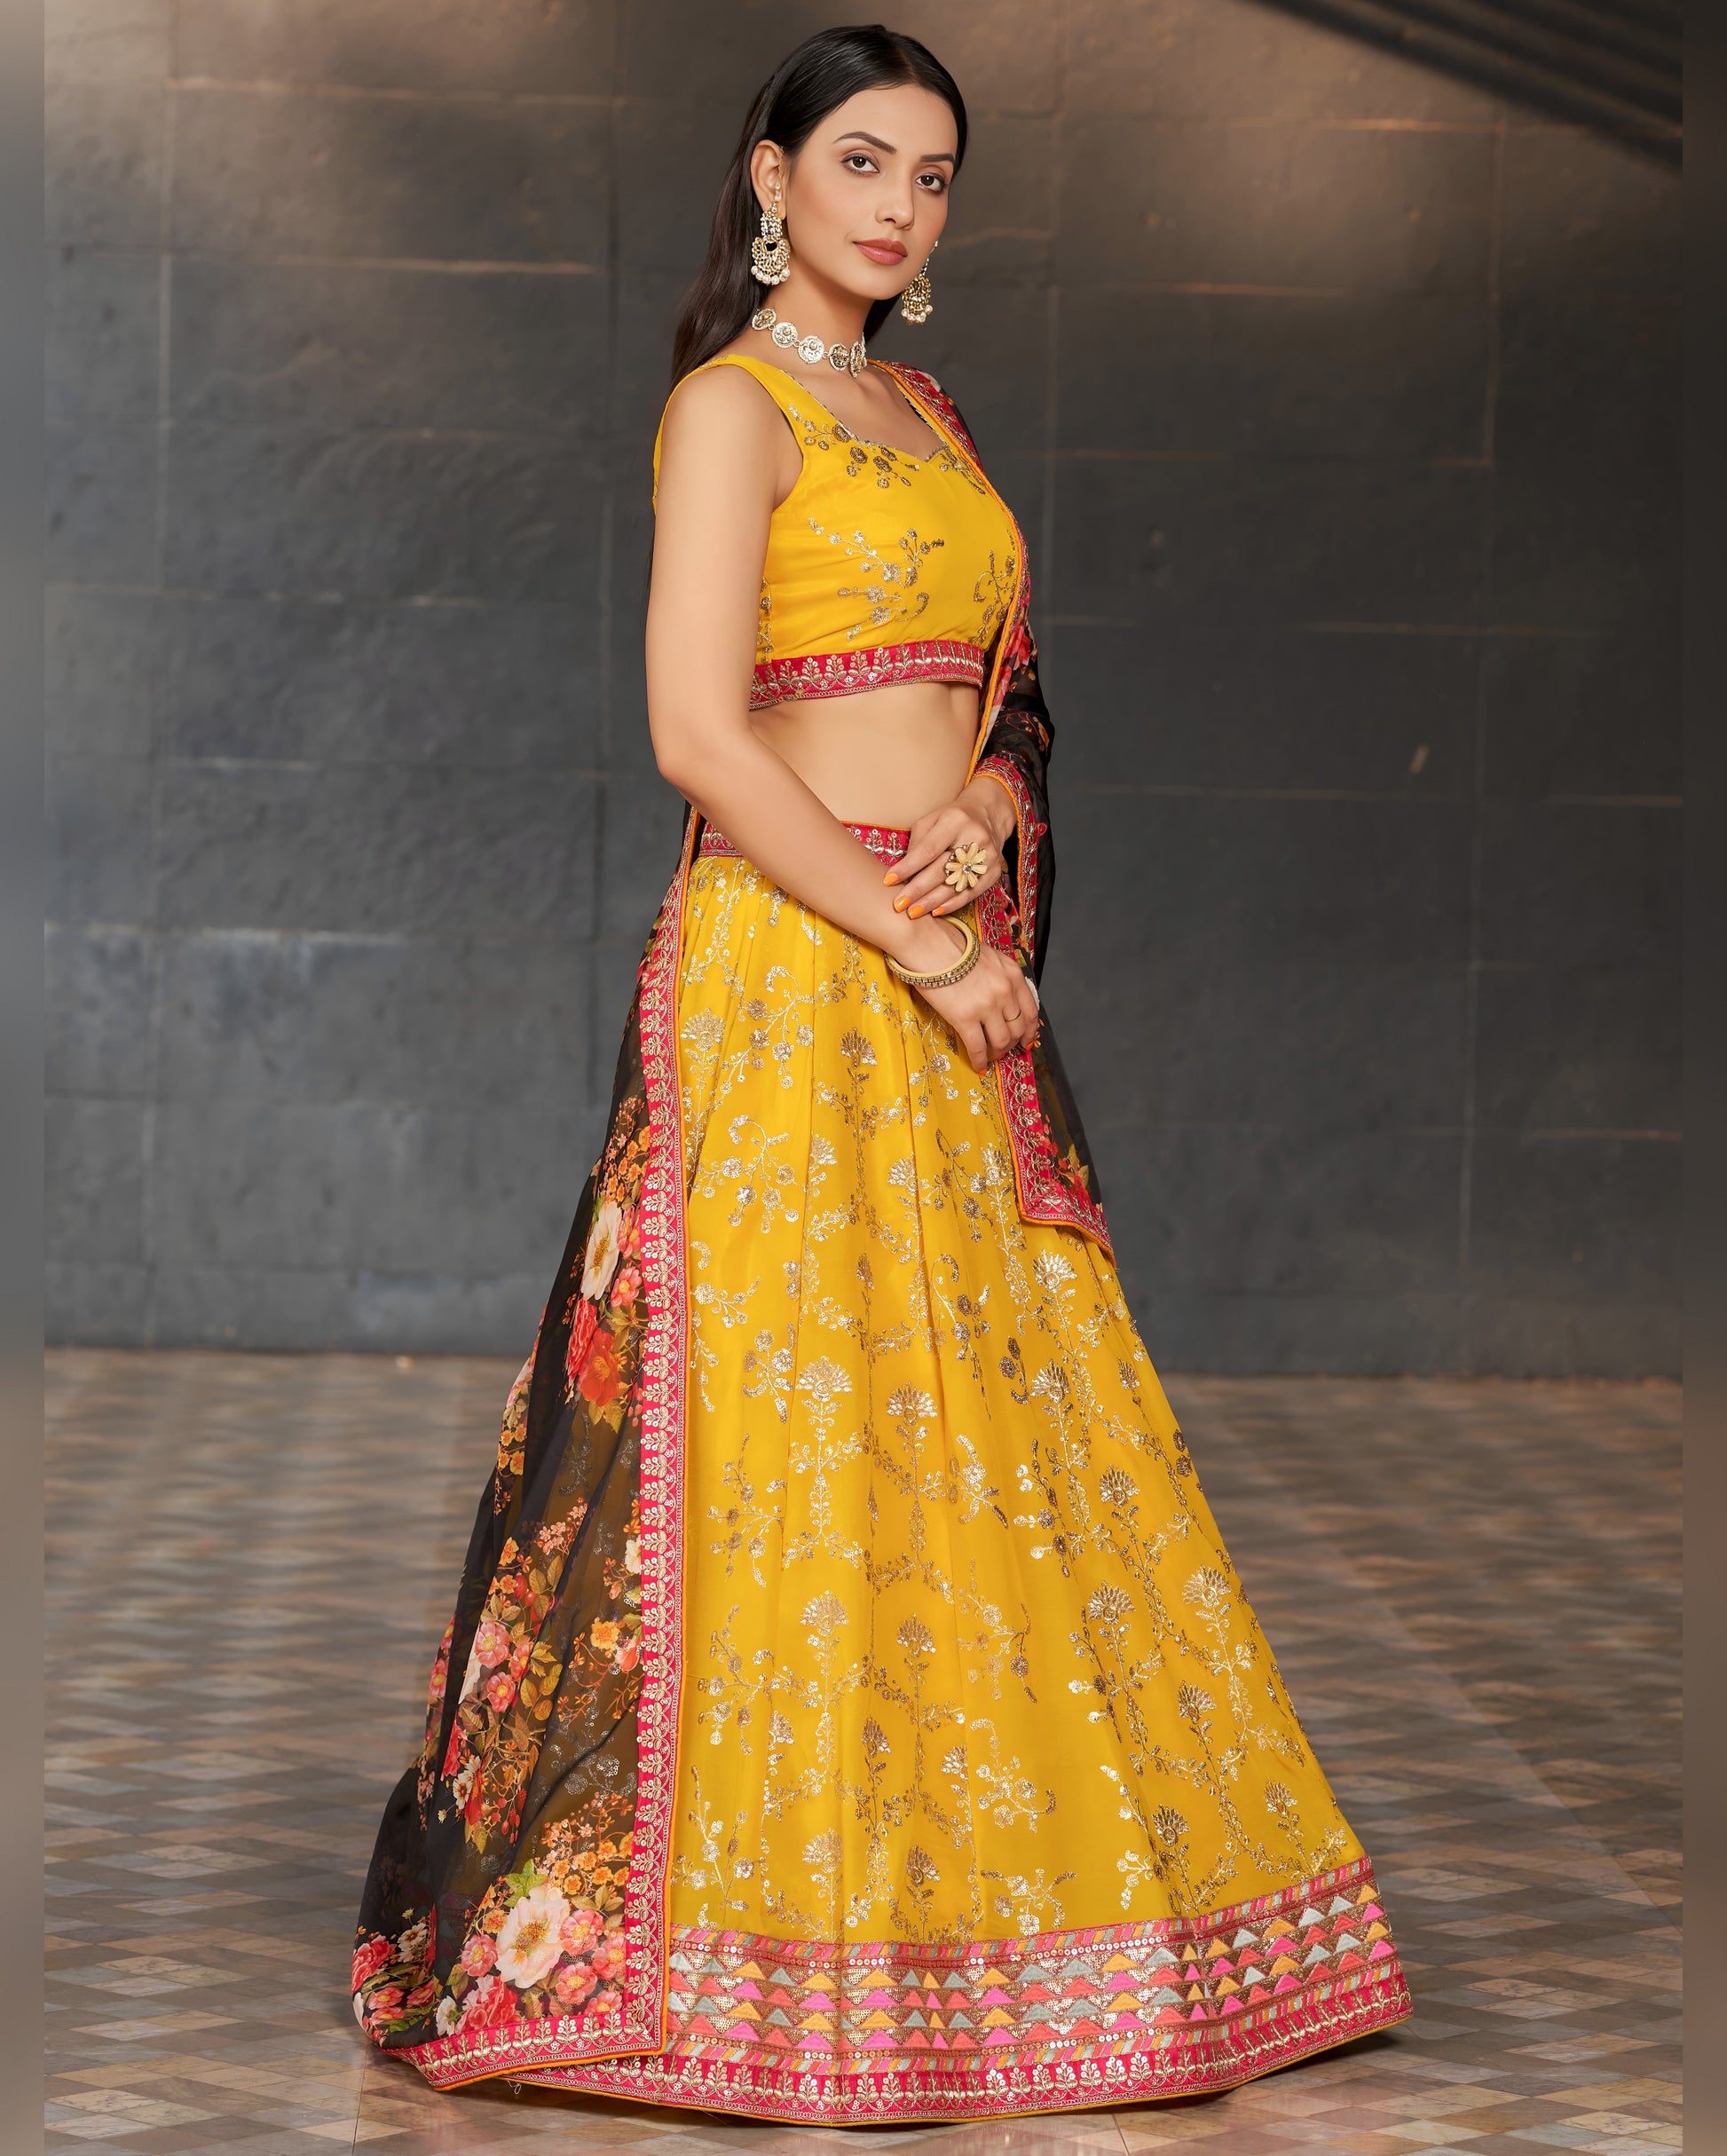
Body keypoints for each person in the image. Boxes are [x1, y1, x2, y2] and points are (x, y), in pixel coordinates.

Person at [351, 24, 1411, 2124]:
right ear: (768, 175)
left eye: (931, 174)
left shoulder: (922, 412)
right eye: (860, 159)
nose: (898, 205)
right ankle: (757, 1953)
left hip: (953, 986)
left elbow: (1006, 695)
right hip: (803, 980)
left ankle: (1001, 1926)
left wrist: (998, 813)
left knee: (987, 1446)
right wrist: (914, 931)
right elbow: (699, 735)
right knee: (794, 1443)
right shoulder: (730, 411)